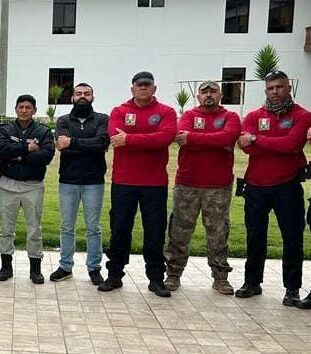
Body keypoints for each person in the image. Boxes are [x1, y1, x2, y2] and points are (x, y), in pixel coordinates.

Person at [235, 71, 311, 307]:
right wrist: (266, 142)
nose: (275, 91)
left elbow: (292, 145)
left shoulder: (302, 115)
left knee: (291, 238)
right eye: (270, 88)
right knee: (254, 236)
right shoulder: (254, 116)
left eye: (279, 87)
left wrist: (257, 139)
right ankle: (252, 282)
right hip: (256, 186)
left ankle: (292, 288)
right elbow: (245, 148)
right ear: (265, 90)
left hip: (287, 186)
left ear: (288, 88)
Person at [98, 71, 176, 298]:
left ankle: (155, 278)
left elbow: (165, 138)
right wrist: (148, 139)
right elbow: (115, 137)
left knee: (155, 230)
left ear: (154, 88)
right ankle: (114, 275)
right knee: (120, 229)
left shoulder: (166, 112)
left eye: (147, 85)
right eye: (139, 85)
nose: (143, 88)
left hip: (154, 183)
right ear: (132, 89)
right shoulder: (120, 111)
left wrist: (130, 139)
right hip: (123, 182)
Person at [164, 81, 240, 295]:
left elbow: (228, 137)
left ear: (220, 95)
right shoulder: (188, 115)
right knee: (179, 231)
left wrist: (194, 138)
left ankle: (220, 277)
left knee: (218, 232)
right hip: (187, 183)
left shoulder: (230, 117)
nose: (208, 95)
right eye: (204, 92)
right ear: (198, 96)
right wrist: (215, 141)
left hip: (219, 185)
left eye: (212, 91)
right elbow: (182, 137)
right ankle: (173, 274)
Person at [50, 82, 109, 285]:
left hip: (94, 181)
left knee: (93, 227)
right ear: (72, 98)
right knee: (67, 226)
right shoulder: (63, 120)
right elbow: (61, 145)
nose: (82, 96)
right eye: (78, 93)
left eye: (87, 93)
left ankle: (94, 268)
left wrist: (73, 142)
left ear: (93, 97)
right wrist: (88, 144)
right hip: (68, 180)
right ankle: (65, 266)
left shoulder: (102, 119)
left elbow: (102, 143)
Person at [0, 94, 54, 283]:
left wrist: (16, 154)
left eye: (28, 107)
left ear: (34, 110)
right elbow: (1, 149)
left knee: (34, 228)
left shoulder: (43, 131)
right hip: (8, 184)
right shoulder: (5, 129)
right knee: (6, 228)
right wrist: (26, 148)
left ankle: (35, 269)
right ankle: (6, 267)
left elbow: (45, 157)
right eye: (21, 107)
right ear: (16, 109)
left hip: (33, 185)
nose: (24, 110)